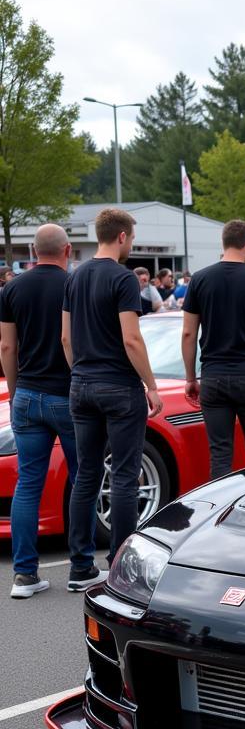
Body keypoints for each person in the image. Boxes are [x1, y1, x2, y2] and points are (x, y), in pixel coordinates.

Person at [61, 207, 163, 589]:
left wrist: (81, 372)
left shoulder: (74, 277)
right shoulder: (123, 280)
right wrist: (151, 385)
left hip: (82, 383)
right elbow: (132, 339)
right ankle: (122, 566)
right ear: (121, 237)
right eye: (131, 238)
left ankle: (79, 566)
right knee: (123, 476)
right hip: (119, 386)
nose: (130, 244)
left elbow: (66, 338)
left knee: (85, 474)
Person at [0, 224, 77, 598]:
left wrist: (16, 393)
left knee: (28, 485)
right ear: (67, 250)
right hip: (68, 394)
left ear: (33, 250)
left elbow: (6, 348)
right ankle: (81, 567)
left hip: (28, 394)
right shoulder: (74, 285)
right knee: (83, 478)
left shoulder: (11, 288)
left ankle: (25, 576)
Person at [181, 219, 245, 480]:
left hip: (213, 375)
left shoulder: (200, 279)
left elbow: (189, 333)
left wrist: (191, 377)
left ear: (223, 244)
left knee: (220, 453)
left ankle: (218, 514)